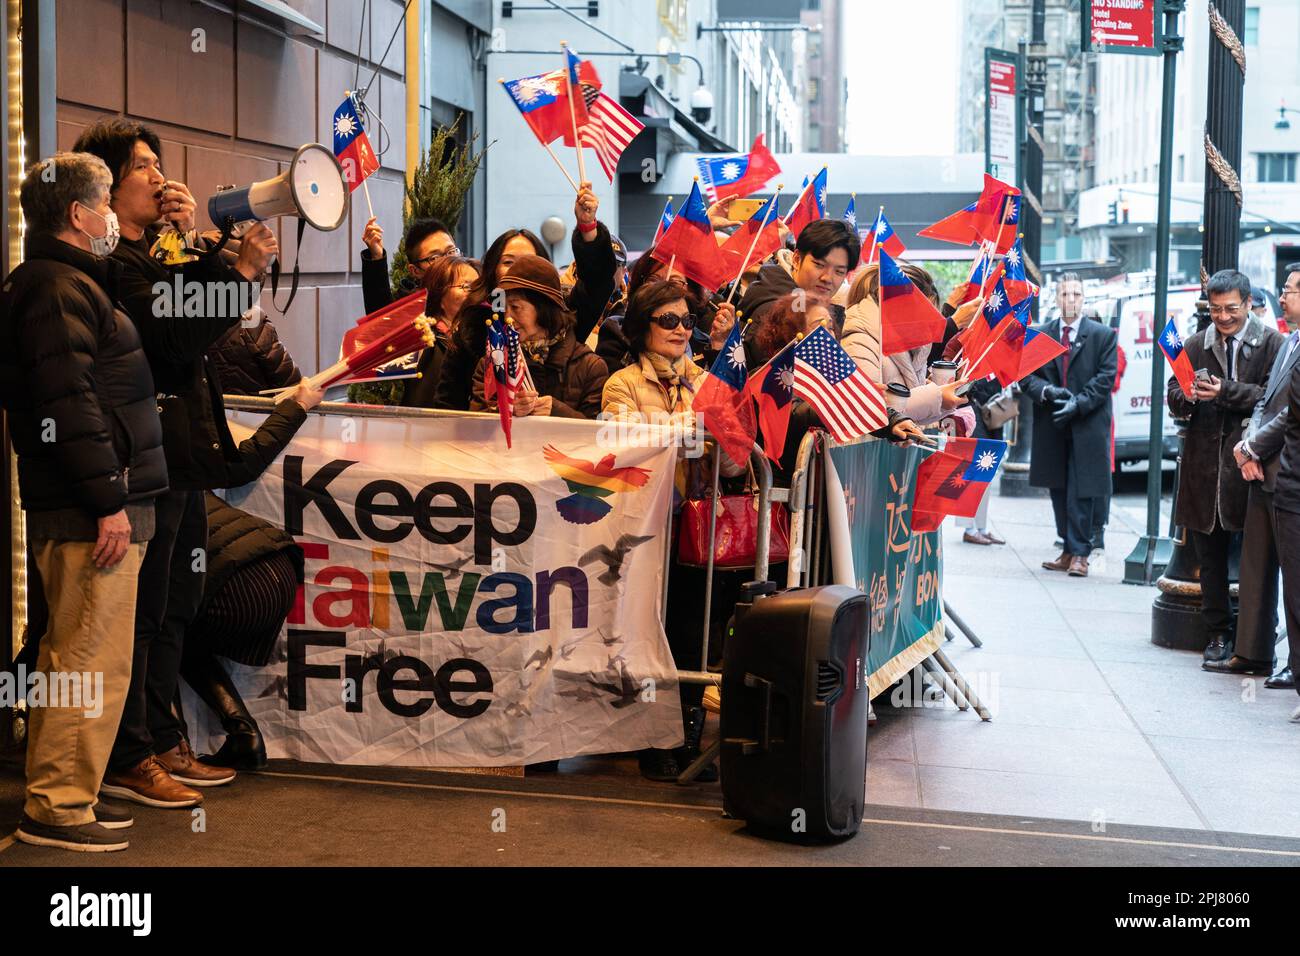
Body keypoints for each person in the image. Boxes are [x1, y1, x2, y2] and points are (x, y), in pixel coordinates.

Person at [74, 117, 320, 806]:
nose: (161, 177)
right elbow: (174, 338)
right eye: (144, 167)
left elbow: (195, 324)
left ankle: (160, 738)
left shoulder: (154, 252)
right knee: (144, 615)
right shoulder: (114, 264)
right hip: (150, 464)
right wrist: (232, 268)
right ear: (107, 185)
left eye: (159, 165)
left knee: (173, 609)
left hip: (178, 461)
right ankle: (131, 754)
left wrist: (204, 252)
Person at [1, 153, 169, 851]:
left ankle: (70, 792)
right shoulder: (56, 287)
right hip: (86, 513)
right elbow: (68, 405)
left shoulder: (64, 281)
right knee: (84, 658)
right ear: (78, 214)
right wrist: (107, 502)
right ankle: (57, 808)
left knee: (81, 654)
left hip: (87, 506)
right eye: (105, 202)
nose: (113, 217)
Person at [602, 279, 744, 781]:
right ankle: (649, 739)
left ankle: (686, 734)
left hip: (697, 528)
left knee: (691, 634)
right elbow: (629, 449)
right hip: (644, 528)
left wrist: (725, 436)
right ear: (643, 328)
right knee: (646, 632)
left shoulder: (710, 382)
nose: (682, 330)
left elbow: (732, 467)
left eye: (687, 321)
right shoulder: (622, 384)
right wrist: (688, 431)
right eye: (668, 320)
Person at [1164, 269, 1284, 665]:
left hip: (1253, 467)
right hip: (1204, 467)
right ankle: (1217, 633)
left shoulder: (1272, 343)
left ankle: (1255, 638)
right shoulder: (1197, 344)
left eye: (1231, 308)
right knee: (1210, 557)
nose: (1223, 317)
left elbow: (1274, 398)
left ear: (1249, 304)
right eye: (1215, 309)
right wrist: (1185, 395)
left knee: (1257, 558)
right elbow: (1173, 395)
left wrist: (1225, 392)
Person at [436, 182, 616, 410]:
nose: (517, 272)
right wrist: (502, 411)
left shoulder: (563, 316)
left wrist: (588, 228)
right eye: (509, 262)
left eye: (527, 263)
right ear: (492, 268)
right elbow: (449, 406)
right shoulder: (475, 327)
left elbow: (597, 282)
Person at [1023, 272, 1119, 578]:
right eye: (1065, 294)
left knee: (1083, 489)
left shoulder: (1103, 335)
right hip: (1053, 423)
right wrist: (1048, 392)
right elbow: (1027, 377)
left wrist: (1078, 403)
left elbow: (1105, 379)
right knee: (1058, 488)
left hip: (1087, 423)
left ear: (1084, 298)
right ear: (1056, 298)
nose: (1071, 300)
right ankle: (1067, 547)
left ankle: (1081, 553)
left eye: (1076, 294)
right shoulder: (1042, 334)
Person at [1232, 264, 1300, 688]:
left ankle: (1295, 664)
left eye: (1292, 289)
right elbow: (1265, 402)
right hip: (1265, 467)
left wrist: (1255, 447)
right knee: (1263, 570)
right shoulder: (1290, 342)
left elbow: (1293, 413)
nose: (1285, 295)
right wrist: (1249, 444)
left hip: (1286, 468)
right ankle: (1262, 655)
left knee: (1294, 580)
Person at [470, 255, 608, 419]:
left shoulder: (590, 367)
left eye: (515, 307)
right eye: (505, 308)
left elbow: (595, 434)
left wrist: (556, 410)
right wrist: (506, 409)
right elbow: (475, 424)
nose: (508, 317)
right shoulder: (495, 361)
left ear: (543, 308)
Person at [839, 263, 973, 428]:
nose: (927, 323)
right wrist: (937, 397)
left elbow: (909, 416)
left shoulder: (917, 347)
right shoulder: (860, 338)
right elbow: (868, 409)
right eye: (923, 313)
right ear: (900, 306)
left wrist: (939, 397)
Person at [736, 218, 860, 337]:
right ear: (796, 259)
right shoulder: (774, 313)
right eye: (819, 265)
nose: (827, 278)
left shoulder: (824, 312)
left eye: (839, 271)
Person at [396, 255, 479, 408]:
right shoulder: (425, 346)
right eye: (466, 286)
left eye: (479, 287)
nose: (476, 294)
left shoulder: (478, 339)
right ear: (439, 295)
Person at [359, 215, 459, 315]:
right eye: (434, 258)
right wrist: (377, 256)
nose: (447, 261)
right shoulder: (412, 313)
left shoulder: (473, 293)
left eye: (451, 252)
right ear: (415, 270)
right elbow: (380, 320)